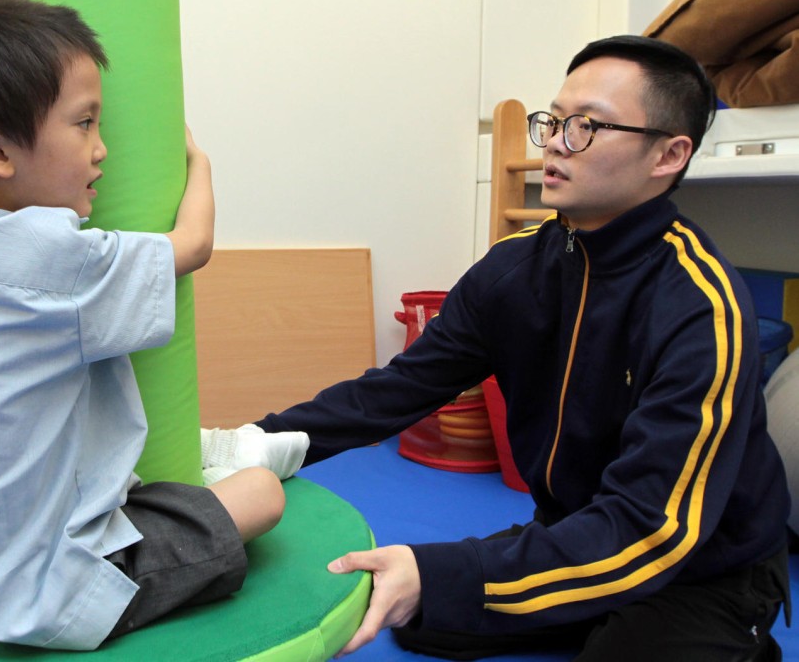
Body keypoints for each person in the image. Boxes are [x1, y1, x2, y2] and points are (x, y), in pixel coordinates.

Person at [249, 35, 792, 660]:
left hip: (698, 566)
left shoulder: (701, 305)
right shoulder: (516, 269)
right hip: (578, 532)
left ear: (668, 155)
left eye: (587, 126)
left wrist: (447, 571)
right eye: (555, 120)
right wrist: (257, 445)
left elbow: (652, 530)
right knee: (424, 620)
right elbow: (397, 390)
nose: (556, 142)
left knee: (467, 593)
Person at [0, 0, 305, 651]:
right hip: (43, 587)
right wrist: (197, 162)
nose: (103, 149)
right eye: (84, 125)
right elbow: (191, 245)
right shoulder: (51, 264)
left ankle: (204, 449)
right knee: (263, 496)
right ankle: (218, 457)